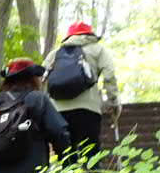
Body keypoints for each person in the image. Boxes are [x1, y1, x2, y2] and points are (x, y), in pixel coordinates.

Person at [44, 21, 120, 156]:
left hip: (59, 112)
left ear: (69, 36)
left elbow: (42, 79)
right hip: (88, 109)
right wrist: (113, 101)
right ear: (89, 33)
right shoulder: (98, 49)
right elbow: (109, 75)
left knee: (66, 157)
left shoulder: (55, 54)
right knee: (91, 155)